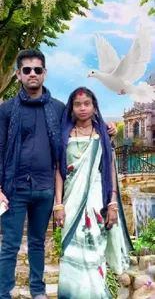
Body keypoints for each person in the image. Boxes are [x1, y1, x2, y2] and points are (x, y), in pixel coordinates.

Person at [0, 49, 117, 299]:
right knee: (9, 245)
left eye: (38, 69)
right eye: (27, 70)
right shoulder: (7, 110)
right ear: (18, 74)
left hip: (45, 189)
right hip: (14, 189)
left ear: (45, 73)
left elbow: (82, 126)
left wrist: (107, 127)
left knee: (37, 243)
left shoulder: (58, 108)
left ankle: (38, 290)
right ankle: (3, 292)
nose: (33, 74)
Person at [54, 87, 133, 299]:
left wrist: (113, 204)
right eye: (77, 104)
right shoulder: (64, 136)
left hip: (97, 200)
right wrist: (58, 204)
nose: (82, 108)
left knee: (95, 250)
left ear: (94, 106)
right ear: (71, 108)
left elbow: (110, 169)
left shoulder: (103, 136)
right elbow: (59, 172)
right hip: (71, 201)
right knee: (71, 250)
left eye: (87, 104)